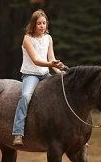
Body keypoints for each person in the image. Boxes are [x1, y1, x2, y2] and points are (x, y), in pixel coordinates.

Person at [12, 9, 64, 146]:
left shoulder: (48, 38)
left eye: (44, 23)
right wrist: (52, 63)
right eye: (39, 23)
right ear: (33, 25)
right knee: (26, 96)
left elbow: (51, 58)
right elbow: (36, 60)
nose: (42, 26)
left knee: (62, 94)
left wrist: (60, 73)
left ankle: (66, 132)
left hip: (45, 74)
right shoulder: (27, 39)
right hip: (31, 74)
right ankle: (18, 132)